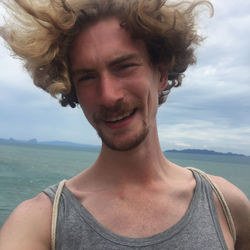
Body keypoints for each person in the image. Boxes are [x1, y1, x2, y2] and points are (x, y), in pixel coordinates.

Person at [0, 0, 249, 249]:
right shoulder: (40, 223)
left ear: (161, 73)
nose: (108, 96)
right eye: (87, 77)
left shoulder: (226, 205)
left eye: (125, 66)